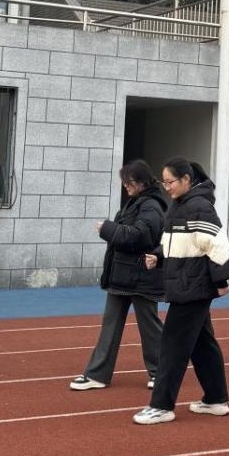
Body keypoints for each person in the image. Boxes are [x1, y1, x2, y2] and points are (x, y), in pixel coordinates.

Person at [133, 159, 229, 425]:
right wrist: (158, 256)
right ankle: (216, 399)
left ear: (186, 179)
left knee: (172, 345)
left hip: (193, 286)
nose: (166, 187)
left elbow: (218, 245)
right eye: (163, 182)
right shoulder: (180, 205)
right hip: (186, 283)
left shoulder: (199, 206)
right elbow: (176, 243)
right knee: (202, 345)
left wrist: (221, 280)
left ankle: (161, 406)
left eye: (170, 182)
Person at [70, 160, 168, 392]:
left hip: (141, 277)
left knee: (149, 327)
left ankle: (161, 373)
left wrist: (107, 228)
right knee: (110, 326)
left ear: (142, 182)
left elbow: (139, 236)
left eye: (129, 181)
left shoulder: (151, 206)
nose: (125, 185)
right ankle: (97, 374)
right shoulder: (138, 203)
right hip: (123, 275)